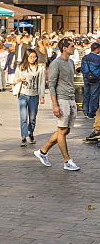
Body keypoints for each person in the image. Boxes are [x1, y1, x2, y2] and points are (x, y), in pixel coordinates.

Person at [33, 38, 80, 171]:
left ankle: (43, 151)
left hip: (71, 98)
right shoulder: (56, 63)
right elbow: (52, 84)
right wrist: (55, 105)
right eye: (71, 46)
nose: (74, 48)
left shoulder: (70, 62)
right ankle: (67, 160)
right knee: (61, 130)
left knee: (65, 130)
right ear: (64, 48)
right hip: (62, 99)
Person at [14, 50, 44, 146]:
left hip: (34, 95)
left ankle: (31, 132)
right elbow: (14, 80)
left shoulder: (39, 68)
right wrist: (19, 79)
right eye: (30, 57)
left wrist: (42, 95)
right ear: (26, 57)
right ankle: (23, 137)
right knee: (23, 117)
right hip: (23, 94)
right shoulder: (21, 67)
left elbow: (41, 83)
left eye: (34, 57)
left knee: (32, 117)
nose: (32, 59)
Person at [79, 42, 100, 119]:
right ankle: (91, 112)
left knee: (86, 95)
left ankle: (85, 111)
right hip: (95, 78)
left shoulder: (85, 57)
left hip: (86, 78)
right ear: (97, 49)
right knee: (94, 95)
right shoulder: (98, 58)